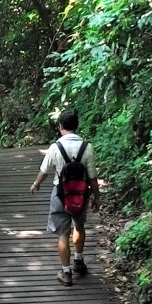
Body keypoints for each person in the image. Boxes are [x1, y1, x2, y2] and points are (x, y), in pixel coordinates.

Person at [29, 109, 100, 286]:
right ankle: (79, 260)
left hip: (60, 194)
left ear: (60, 127)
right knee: (79, 225)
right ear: (76, 126)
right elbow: (92, 177)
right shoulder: (87, 147)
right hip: (81, 195)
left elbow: (44, 171)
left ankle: (66, 272)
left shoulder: (55, 147)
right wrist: (96, 197)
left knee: (63, 234)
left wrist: (36, 184)